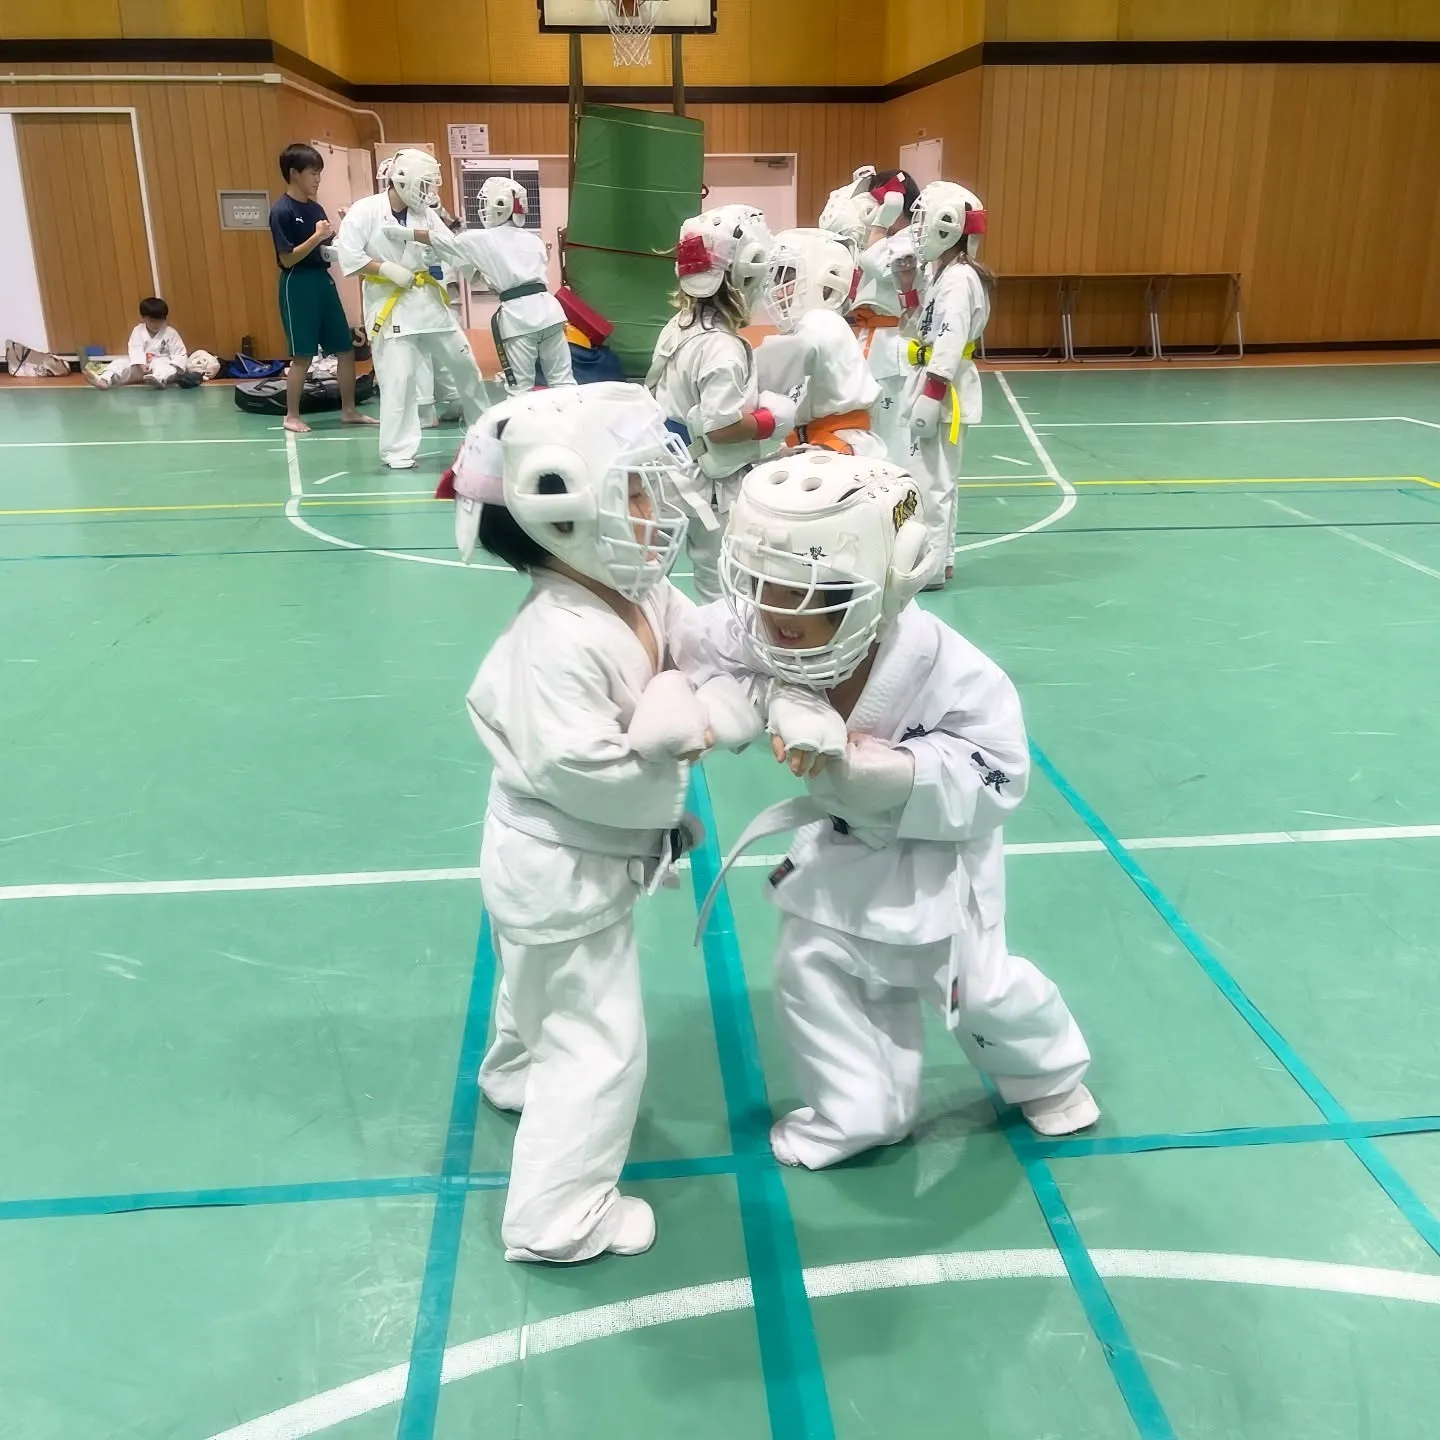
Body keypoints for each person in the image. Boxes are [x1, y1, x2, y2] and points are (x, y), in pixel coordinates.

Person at [677, 450, 1098, 1171]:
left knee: (983, 992)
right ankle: (860, 1112)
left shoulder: (947, 667)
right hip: (840, 857)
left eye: (806, 594)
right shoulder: (760, 626)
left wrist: (886, 772)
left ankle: (1051, 1075)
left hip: (939, 861)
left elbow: (1000, 776)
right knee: (812, 971)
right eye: (761, 586)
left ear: (881, 590)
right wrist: (769, 698)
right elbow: (696, 651)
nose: (777, 614)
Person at [439, 382, 761, 1262]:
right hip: (559, 862)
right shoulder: (556, 637)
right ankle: (558, 1218)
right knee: (596, 1040)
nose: (655, 510)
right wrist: (684, 738)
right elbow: (581, 769)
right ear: (562, 519)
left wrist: (753, 669)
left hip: (561, 867)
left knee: (536, 991)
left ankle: (512, 1073)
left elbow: (702, 645)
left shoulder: (637, 592)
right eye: (636, 492)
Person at [646, 204, 794, 602]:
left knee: (649, 579)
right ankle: (723, 659)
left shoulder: (677, 326)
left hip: (667, 470)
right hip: (707, 484)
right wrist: (770, 421)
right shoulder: (723, 348)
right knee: (723, 587)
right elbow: (720, 427)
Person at [336, 148, 487, 470]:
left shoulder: (427, 214)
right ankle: (397, 450)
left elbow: (447, 244)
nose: (429, 193)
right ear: (401, 180)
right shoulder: (365, 211)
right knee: (399, 380)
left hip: (428, 302)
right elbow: (349, 256)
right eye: (425, 185)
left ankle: (483, 434)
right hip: (390, 306)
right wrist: (386, 269)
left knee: (466, 366)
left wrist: (475, 268)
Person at [901, 181, 991, 589]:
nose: (918, 231)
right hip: (938, 380)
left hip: (943, 388)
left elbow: (950, 339)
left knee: (931, 481)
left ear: (948, 227)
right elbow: (925, 326)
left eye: (924, 223)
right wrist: (907, 290)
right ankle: (944, 557)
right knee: (938, 479)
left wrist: (932, 394)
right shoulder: (949, 275)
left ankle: (932, 566)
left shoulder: (958, 280)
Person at [410, 176, 573, 394]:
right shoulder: (534, 239)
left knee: (520, 387)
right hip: (551, 313)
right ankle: (573, 423)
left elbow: (442, 241)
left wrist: (398, 232)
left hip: (520, 318)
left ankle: (517, 427)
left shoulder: (483, 238)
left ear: (499, 205)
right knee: (563, 381)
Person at [819, 168, 924, 466]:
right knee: (874, 427)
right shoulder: (895, 238)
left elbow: (876, 262)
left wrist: (880, 224)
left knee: (892, 435)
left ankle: (901, 496)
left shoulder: (911, 240)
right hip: (875, 341)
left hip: (894, 346)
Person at [268, 143, 375, 435]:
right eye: (313, 173)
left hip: (322, 280)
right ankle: (291, 415)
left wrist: (345, 226)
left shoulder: (315, 207)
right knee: (303, 355)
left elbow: (327, 247)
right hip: (297, 283)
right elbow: (287, 257)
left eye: (319, 173)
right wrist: (317, 237)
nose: (317, 179)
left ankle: (349, 410)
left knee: (344, 348)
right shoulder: (282, 210)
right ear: (294, 173)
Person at [756, 228, 884, 459]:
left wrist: (732, 371)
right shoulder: (808, 328)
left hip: (839, 444)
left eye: (788, 277)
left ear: (824, 278)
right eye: (776, 278)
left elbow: (772, 368)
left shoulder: (823, 321)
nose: (777, 289)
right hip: (817, 442)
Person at [83, 297, 189, 390]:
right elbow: (135, 349)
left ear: (165, 319)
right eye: (152, 321)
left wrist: (176, 367)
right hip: (141, 366)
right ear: (144, 318)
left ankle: (158, 379)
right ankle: (105, 380)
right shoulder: (138, 330)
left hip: (162, 364)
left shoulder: (170, 332)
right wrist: (141, 364)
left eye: (160, 321)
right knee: (119, 363)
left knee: (163, 367)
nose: (156, 325)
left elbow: (179, 354)